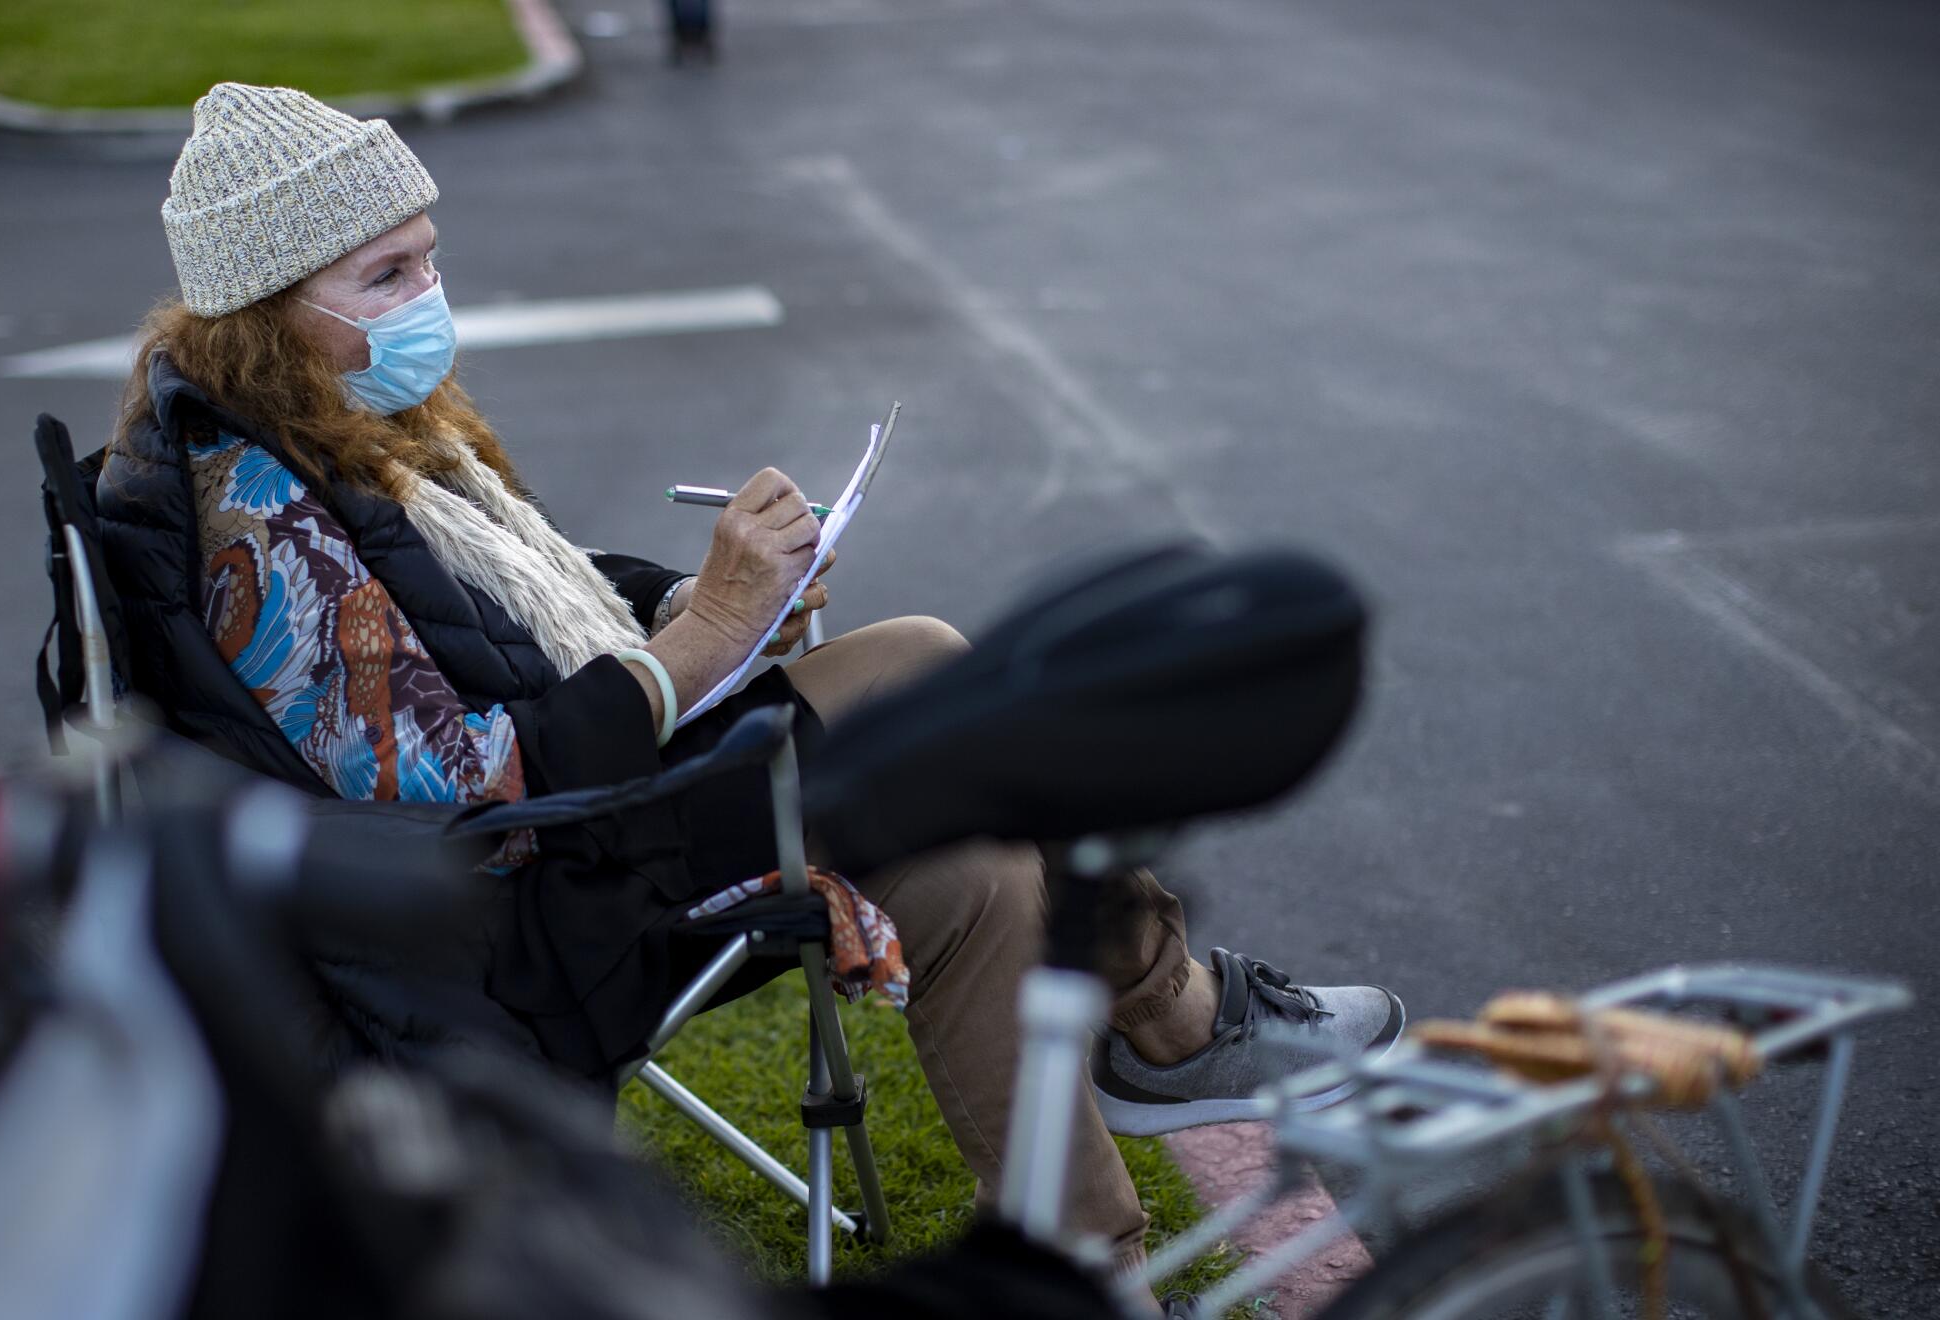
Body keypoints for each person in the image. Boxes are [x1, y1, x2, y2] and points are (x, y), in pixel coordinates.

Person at [98, 83, 1404, 1282]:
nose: (431, 293)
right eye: (388, 272)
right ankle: (1178, 1023)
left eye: (429, 255)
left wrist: (688, 598)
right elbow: (472, 815)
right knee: (930, 668)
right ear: (268, 305)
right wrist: (714, 631)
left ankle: (1100, 1263)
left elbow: (512, 604)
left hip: (600, 847)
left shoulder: (323, 427)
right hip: (542, 913)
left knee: (977, 867)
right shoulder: (262, 531)